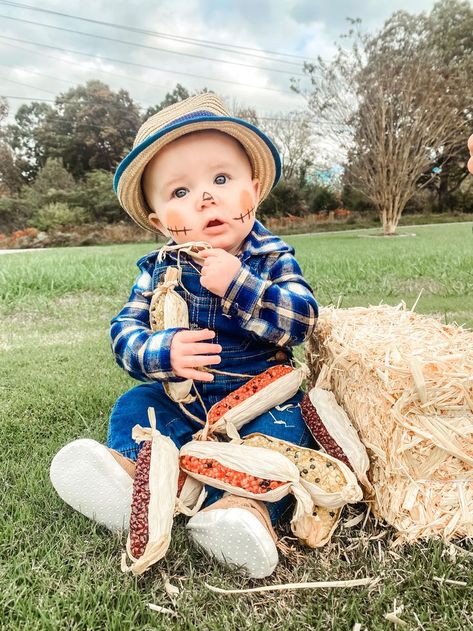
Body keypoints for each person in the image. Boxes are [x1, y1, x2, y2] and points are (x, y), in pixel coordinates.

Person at [50, 92, 319, 579]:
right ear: (160, 223)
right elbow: (123, 332)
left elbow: (302, 320)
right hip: (183, 396)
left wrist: (239, 284)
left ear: (253, 191)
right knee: (135, 407)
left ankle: (239, 510)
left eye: (221, 179)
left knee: (286, 433)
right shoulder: (159, 270)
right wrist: (162, 351)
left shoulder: (271, 258)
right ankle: (137, 481)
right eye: (179, 193)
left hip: (258, 398)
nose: (205, 197)